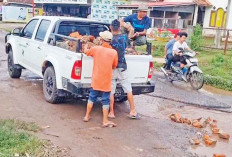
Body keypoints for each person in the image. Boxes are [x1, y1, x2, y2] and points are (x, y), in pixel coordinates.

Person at [83, 31, 118, 127]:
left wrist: (86, 46)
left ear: (102, 40)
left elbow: (86, 52)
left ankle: (87, 116)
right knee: (105, 100)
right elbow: (114, 66)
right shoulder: (114, 52)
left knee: (91, 97)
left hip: (96, 79)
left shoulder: (96, 49)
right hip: (106, 81)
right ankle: (105, 120)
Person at [109, 19, 139, 119]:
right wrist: (125, 26)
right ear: (119, 28)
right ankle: (133, 111)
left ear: (110, 27)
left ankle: (112, 112)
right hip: (122, 67)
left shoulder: (109, 39)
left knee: (111, 90)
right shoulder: (124, 37)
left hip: (112, 67)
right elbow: (131, 31)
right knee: (128, 89)